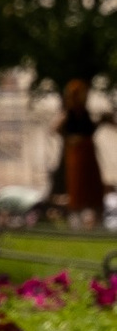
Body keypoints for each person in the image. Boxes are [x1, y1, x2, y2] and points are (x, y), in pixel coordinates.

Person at [57, 81, 108, 228]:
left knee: (93, 186)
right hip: (77, 155)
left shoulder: (84, 113)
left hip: (88, 153)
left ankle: (95, 221)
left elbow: (90, 130)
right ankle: (76, 222)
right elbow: (57, 128)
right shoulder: (69, 113)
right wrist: (69, 139)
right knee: (77, 186)